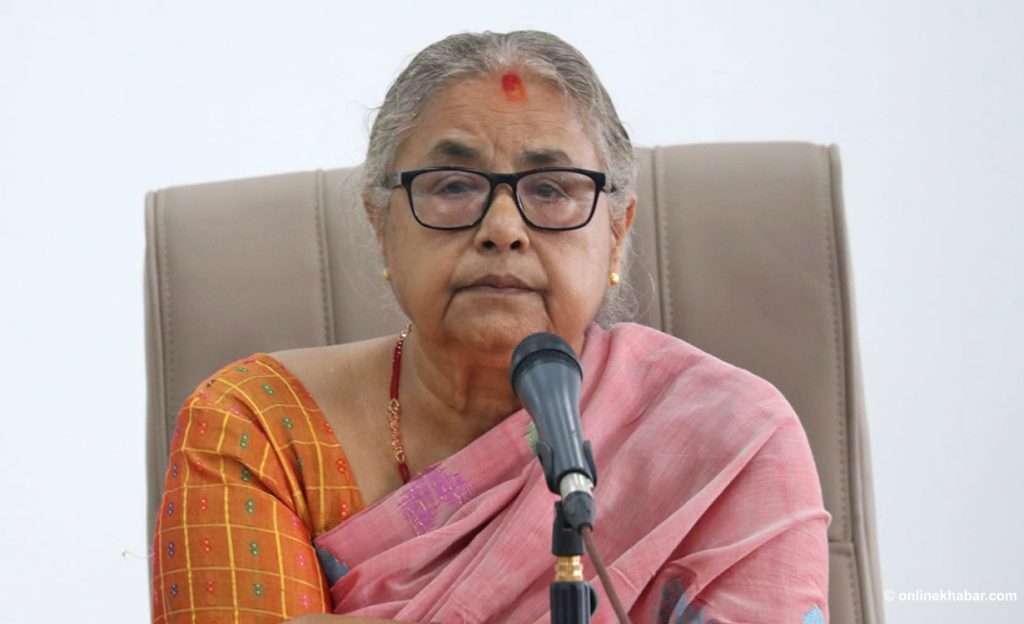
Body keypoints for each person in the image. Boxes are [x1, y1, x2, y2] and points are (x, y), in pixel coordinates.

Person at [151, 30, 830, 624]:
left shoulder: (731, 437)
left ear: (617, 235)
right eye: (453, 186)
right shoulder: (259, 427)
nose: (502, 229)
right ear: (381, 225)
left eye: (552, 188)